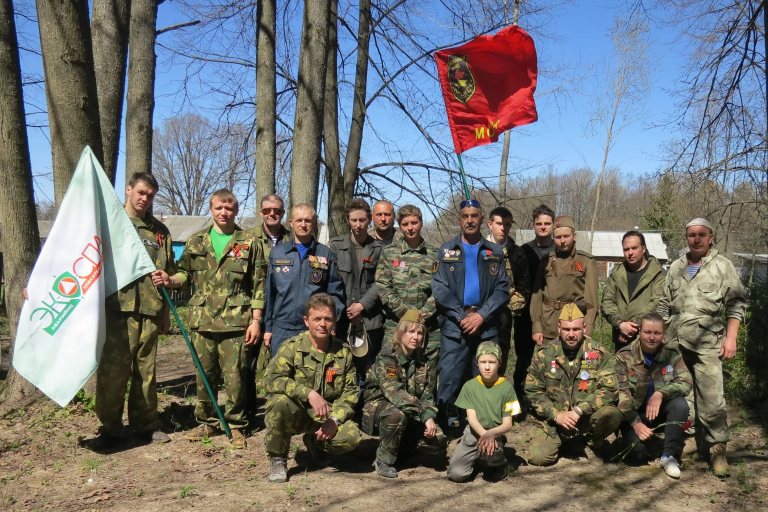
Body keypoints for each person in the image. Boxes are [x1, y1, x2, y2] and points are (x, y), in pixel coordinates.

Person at [174, 189, 264, 449]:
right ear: (211, 210)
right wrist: (171, 280)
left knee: (235, 376)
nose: (224, 213)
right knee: (205, 374)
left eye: (229, 208)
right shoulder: (196, 241)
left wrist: (256, 320)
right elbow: (184, 274)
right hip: (202, 319)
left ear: (236, 211)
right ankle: (209, 421)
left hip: (236, 320)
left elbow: (258, 284)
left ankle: (236, 425)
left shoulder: (248, 242)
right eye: (219, 208)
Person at [657, 217, 746, 477]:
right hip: (676, 342)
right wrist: (660, 336)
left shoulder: (722, 266)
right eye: (691, 235)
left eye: (701, 234)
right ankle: (684, 443)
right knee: (681, 395)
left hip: (708, 343)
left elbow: (736, 304)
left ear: (711, 237)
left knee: (711, 397)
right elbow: (665, 303)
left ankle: (717, 449)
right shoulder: (676, 266)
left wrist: (731, 337)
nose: (695, 239)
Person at [94, 172, 177, 449]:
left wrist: (165, 311)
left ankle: (146, 425)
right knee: (113, 372)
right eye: (141, 192)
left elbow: (169, 273)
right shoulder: (108, 223)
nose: (145, 199)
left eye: (150, 195)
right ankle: (110, 428)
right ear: (128, 190)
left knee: (147, 373)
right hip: (117, 309)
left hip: (150, 310)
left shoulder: (160, 232)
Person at [263, 294, 362, 483]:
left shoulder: (343, 352)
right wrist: (307, 393)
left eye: (328, 319)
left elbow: (351, 392)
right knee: (278, 403)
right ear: (307, 321)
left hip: (325, 415)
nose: (322, 324)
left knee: (351, 437)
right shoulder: (292, 348)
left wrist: (334, 419)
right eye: (317, 319)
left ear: (334, 321)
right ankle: (278, 458)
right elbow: (271, 379)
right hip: (297, 412)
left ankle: (316, 443)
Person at [432, 199, 509, 430]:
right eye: (465, 216)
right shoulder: (446, 251)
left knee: (485, 375)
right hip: (456, 323)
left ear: (481, 219)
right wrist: (461, 315)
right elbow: (439, 288)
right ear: (459, 219)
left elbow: (503, 289)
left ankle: (484, 423)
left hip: (486, 325)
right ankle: (446, 422)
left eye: (474, 216)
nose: (469, 220)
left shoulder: (494, 251)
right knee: (449, 375)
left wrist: (482, 315)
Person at [525, 303, 622, 466]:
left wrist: (579, 410)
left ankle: (591, 443)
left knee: (612, 413)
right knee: (538, 458)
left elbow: (610, 389)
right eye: (566, 329)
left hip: (585, 420)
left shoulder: (597, 353)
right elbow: (533, 392)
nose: (571, 334)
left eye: (576, 329)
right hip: (554, 422)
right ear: (559, 328)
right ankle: (565, 443)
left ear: (584, 328)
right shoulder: (544, 354)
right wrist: (556, 415)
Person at [362, 309, 440, 478]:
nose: (415, 337)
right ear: (400, 332)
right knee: (397, 414)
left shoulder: (424, 362)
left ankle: (404, 448)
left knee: (438, 440)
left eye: (419, 333)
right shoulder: (387, 357)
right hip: (377, 407)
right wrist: (425, 416)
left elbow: (427, 395)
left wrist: (430, 416)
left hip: (410, 408)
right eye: (410, 331)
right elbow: (395, 393)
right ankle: (383, 461)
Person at [615, 313, 692, 479]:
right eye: (647, 332)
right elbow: (622, 395)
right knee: (638, 456)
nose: (652, 337)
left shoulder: (671, 354)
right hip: (634, 415)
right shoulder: (624, 356)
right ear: (639, 332)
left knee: (680, 404)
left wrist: (660, 393)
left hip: (659, 412)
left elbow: (686, 382)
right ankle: (645, 443)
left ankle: (669, 455)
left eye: (657, 333)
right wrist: (636, 424)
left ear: (663, 334)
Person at [263, 203, 345, 356]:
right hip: (282, 328)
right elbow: (270, 294)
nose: (303, 224)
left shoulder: (325, 253)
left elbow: (335, 292)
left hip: (314, 328)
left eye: (307, 221)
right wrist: (268, 328)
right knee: (281, 376)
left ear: (314, 223)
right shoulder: (278, 253)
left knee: (311, 375)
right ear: (291, 223)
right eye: (299, 220)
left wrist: (332, 324)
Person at [375, 204, 440, 363]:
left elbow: (441, 288)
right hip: (396, 325)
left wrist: (422, 315)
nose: (410, 228)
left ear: (421, 223)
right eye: (405, 224)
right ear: (400, 226)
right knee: (391, 372)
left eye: (414, 223)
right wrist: (405, 313)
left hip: (426, 327)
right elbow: (383, 285)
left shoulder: (434, 255)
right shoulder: (389, 253)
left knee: (425, 375)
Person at [447, 342, 519, 482]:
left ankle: (498, 464)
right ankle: (475, 457)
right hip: (474, 432)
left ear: (499, 363)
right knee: (457, 475)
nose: (487, 367)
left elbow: (508, 424)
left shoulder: (507, 388)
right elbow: (471, 418)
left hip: (495, 432)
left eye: (492, 362)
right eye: (483, 362)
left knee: (492, 474)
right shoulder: (470, 386)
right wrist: (484, 434)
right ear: (477, 363)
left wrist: (491, 434)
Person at [328, 199, 385, 377]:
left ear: (369, 220)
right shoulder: (336, 246)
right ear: (348, 220)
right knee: (340, 367)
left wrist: (361, 305)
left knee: (368, 369)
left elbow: (381, 282)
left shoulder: (379, 249)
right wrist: (345, 308)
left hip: (370, 318)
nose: (358, 225)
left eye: (362, 220)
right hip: (342, 318)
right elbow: (332, 281)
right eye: (354, 220)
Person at [245, 194, 291, 417]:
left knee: (283, 361)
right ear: (260, 212)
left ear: (283, 213)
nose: (272, 214)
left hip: (282, 310)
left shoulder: (293, 239)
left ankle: (283, 410)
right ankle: (248, 410)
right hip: (252, 309)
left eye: (277, 211)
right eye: (267, 211)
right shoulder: (247, 238)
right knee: (247, 363)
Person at [530, 215, 598, 343]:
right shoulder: (546, 261)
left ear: (574, 236)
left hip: (574, 326)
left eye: (566, 236)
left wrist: (587, 329)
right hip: (548, 325)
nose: (562, 241)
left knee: (574, 363)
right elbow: (537, 297)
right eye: (558, 237)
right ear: (553, 238)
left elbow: (592, 301)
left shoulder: (585, 261)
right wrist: (536, 327)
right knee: (547, 361)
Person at [514, 204, 555, 406]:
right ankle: (520, 398)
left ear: (553, 225)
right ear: (533, 225)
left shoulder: (560, 251)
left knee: (551, 357)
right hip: (525, 314)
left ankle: (548, 399)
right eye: (539, 223)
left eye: (547, 223)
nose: (543, 227)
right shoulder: (523, 251)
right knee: (525, 356)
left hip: (552, 314)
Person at [486, 206, 531, 376]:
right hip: (477, 314)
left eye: (507, 224)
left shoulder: (517, 253)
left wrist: (506, 306)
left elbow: (524, 288)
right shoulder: (477, 248)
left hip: (503, 315)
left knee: (499, 358)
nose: (503, 228)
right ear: (490, 224)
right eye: (499, 223)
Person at [602, 230, 665, 349]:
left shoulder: (658, 273)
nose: (630, 253)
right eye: (626, 249)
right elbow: (607, 302)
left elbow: (657, 303)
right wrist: (620, 324)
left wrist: (632, 326)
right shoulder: (616, 273)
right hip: (621, 340)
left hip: (649, 340)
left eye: (634, 248)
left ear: (644, 248)